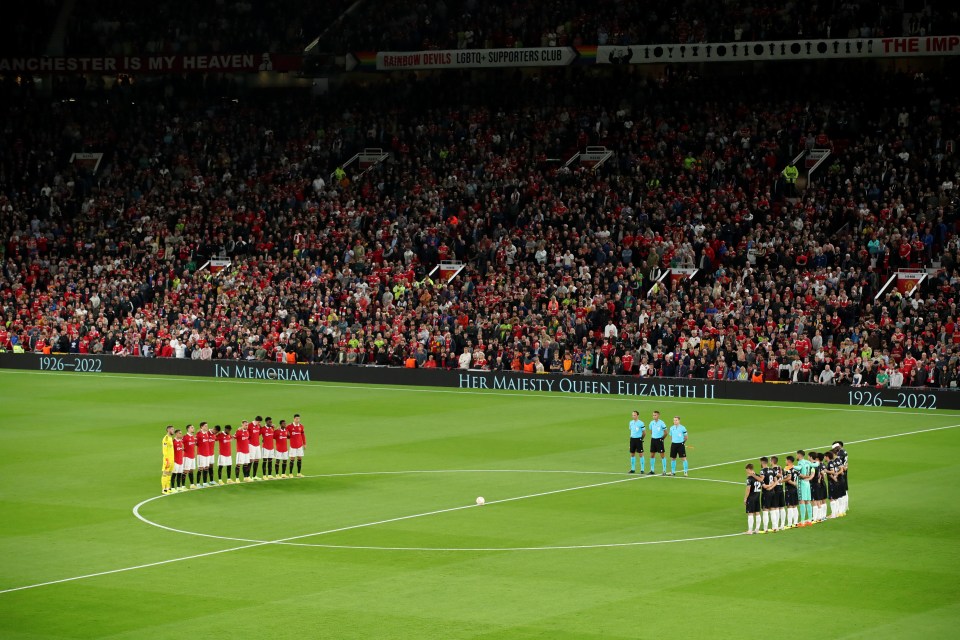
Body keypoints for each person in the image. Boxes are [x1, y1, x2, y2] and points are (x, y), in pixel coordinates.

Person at [758, 457, 780, 533]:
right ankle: (775, 527)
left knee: (765, 510)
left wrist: (766, 487)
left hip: (766, 493)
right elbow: (776, 481)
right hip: (773, 492)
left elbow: (761, 480)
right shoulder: (772, 470)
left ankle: (765, 528)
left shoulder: (762, 471)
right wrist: (771, 487)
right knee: (772, 510)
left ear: (762, 462)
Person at [824, 450, 846, 518]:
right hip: (836, 482)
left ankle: (833, 514)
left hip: (832, 483)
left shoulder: (830, 463)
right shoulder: (834, 462)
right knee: (836, 498)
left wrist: (826, 471)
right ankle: (836, 513)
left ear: (827, 457)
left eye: (825, 457)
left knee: (832, 498)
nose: (824, 458)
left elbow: (832, 472)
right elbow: (841, 470)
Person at [795, 450, 814, 526]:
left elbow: (800, 474)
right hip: (807, 483)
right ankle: (809, 520)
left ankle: (802, 521)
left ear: (799, 455)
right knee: (807, 501)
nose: (796, 456)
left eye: (797, 455)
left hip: (801, 483)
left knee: (801, 501)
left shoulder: (800, 463)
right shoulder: (807, 462)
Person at [744, 463, 763, 534]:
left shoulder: (749, 479)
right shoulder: (758, 476)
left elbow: (748, 489)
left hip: (751, 497)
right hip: (757, 496)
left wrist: (745, 498)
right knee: (757, 513)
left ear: (749, 469)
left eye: (746, 470)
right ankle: (757, 529)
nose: (746, 472)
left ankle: (750, 530)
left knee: (750, 513)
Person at [647, 410, 667, 475]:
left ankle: (664, 470)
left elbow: (666, 433)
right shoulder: (651, 423)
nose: (654, 416)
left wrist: (662, 439)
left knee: (662, 455)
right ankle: (652, 470)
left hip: (659, 440)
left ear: (658, 415)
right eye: (653, 415)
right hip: (653, 440)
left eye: (655, 415)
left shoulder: (662, 423)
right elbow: (651, 431)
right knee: (652, 455)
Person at [782, 455, 800, 528]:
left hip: (789, 489)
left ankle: (790, 524)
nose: (785, 462)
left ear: (789, 461)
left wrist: (781, 480)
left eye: (786, 460)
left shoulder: (787, 469)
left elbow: (788, 479)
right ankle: (795, 523)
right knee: (794, 506)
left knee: (789, 506)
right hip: (795, 489)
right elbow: (800, 476)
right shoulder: (796, 469)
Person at [196, 422, 216, 487]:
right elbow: (196, 443)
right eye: (205, 426)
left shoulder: (207, 433)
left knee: (206, 468)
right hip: (201, 454)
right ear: (201, 427)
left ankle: (204, 483)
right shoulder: (199, 434)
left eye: (207, 426)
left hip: (207, 454)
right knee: (200, 468)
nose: (206, 427)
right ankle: (198, 484)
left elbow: (213, 431)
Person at [770, 455, 787, 529]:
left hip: (775, 488)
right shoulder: (781, 468)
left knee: (775, 506)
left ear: (772, 461)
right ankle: (782, 525)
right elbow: (784, 476)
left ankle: (776, 525)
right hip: (781, 487)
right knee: (781, 506)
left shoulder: (771, 470)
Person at [832, 440, 849, 511]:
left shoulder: (840, 453)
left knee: (841, 490)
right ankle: (845, 506)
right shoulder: (844, 452)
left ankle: (842, 507)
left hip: (841, 472)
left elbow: (839, 464)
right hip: (844, 471)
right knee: (844, 489)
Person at [182, 424, 198, 489]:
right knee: (185, 471)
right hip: (187, 457)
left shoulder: (193, 437)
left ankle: (192, 485)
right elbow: (180, 443)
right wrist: (182, 449)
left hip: (192, 456)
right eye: (192, 428)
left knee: (191, 470)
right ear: (188, 429)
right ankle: (183, 486)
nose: (193, 429)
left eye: (193, 427)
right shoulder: (185, 437)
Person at [161, 425, 175, 495]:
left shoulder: (170, 438)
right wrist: (167, 459)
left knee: (169, 473)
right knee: (165, 473)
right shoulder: (166, 438)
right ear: (168, 430)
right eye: (172, 429)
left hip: (172, 459)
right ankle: (164, 489)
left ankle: (168, 488)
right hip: (167, 459)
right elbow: (164, 450)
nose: (173, 431)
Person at [249, 416, 263, 480]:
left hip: (257, 445)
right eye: (259, 422)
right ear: (257, 421)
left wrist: (261, 426)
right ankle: (248, 476)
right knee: (251, 460)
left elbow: (258, 434)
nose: (259, 423)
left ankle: (254, 476)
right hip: (251, 445)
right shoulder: (250, 425)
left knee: (257, 460)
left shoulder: (258, 426)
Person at [171, 428, 185, 493]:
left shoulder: (181, 441)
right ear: (176, 434)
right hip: (175, 461)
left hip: (181, 461)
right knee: (174, 474)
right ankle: (172, 487)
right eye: (180, 433)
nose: (181, 434)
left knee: (179, 474)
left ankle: (179, 487)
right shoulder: (173, 442)